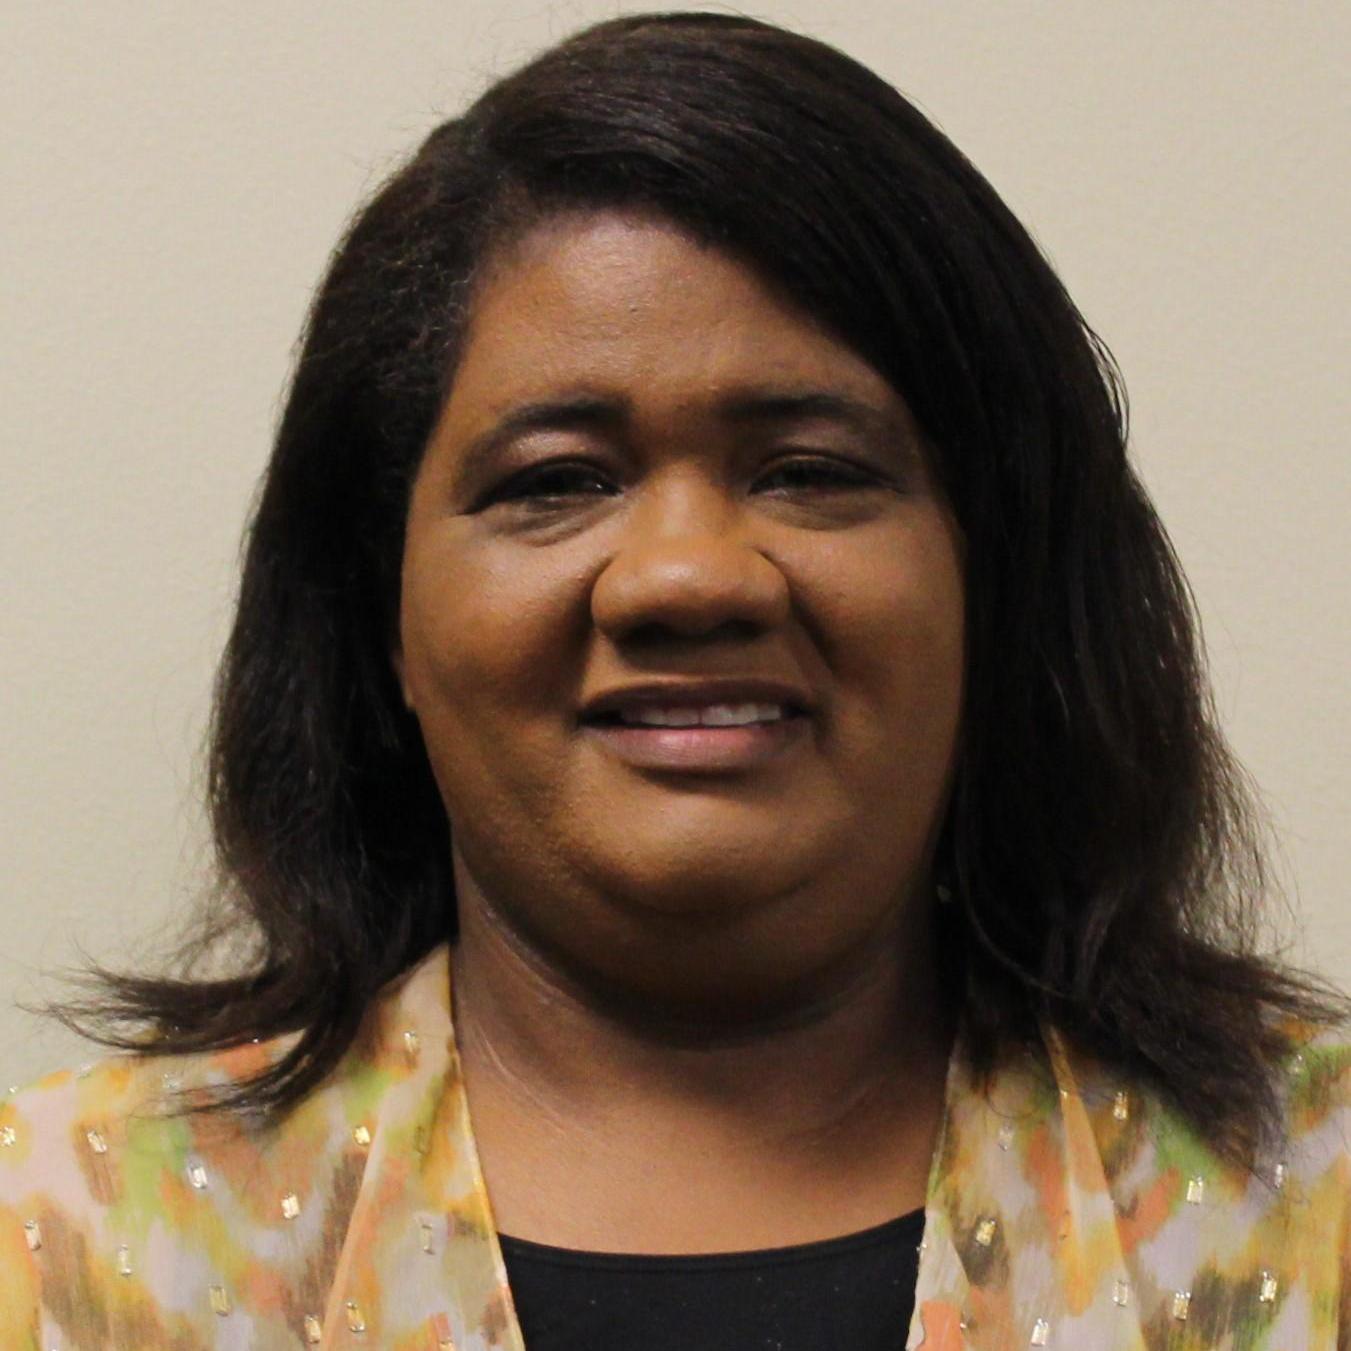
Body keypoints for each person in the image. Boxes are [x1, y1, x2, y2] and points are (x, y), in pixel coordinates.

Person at [2, 12, 1346, 1349]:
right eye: (556, 481)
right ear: (383, 616)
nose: (688, 577)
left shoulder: (1314, 1206)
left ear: (996, 581)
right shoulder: (62, 1245)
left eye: (810, 471)